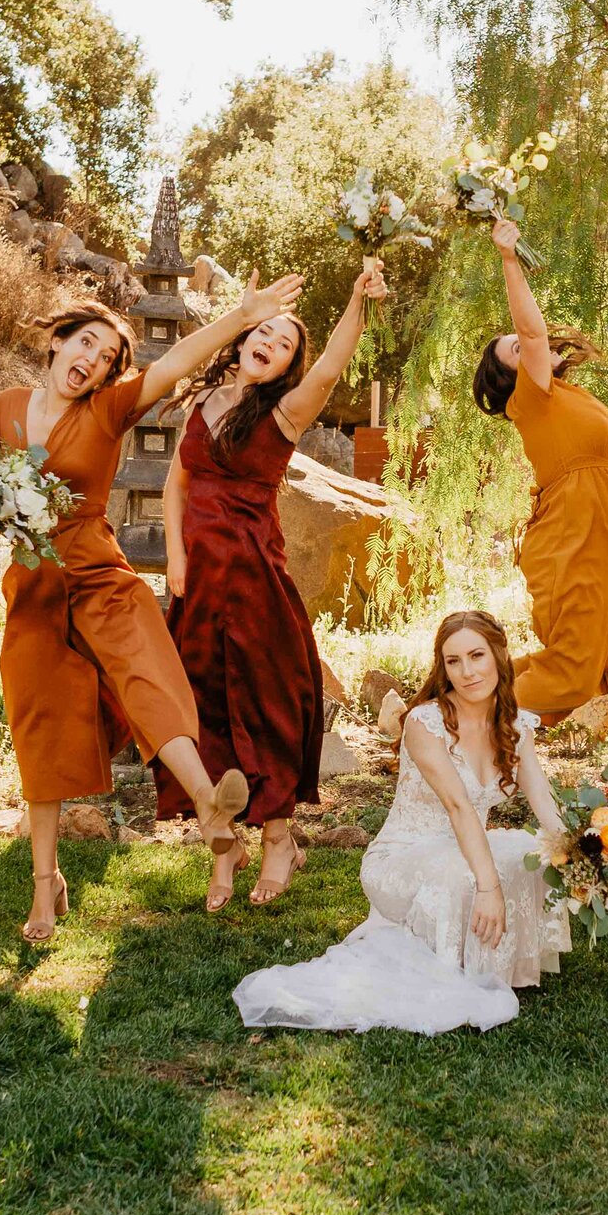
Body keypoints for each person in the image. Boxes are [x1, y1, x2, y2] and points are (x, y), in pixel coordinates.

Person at [0, 274, 305, 944]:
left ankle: (209, 803)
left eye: (109, 358)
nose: (93, 361)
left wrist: (242, 316)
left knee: (145, 669)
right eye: (85, 343)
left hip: (95, 566)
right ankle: (44, 882)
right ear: (57, 343)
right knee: (40, 720)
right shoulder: (5, 406)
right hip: (33, 582)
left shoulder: (107, 411)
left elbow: (174, 363)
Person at [162, 256, 384, 910]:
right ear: (243, 337)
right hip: (197, 587)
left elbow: (332, 368)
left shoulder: (283, 413)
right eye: (265, 333)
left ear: (289, 366)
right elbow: (177, 483)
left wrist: (356, 301)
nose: (271, 345)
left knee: (266, 710)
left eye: (285, 345)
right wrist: (175, 559)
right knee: (205, 720)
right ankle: (223, 850)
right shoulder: (201, 402)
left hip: (254, 581)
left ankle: (280, 838)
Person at [233, 611, 569, 1034]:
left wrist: (580, 854)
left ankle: (503, 965)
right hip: (403, 858)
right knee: (469, 875)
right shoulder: (425, 722)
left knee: (529, 853)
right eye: (453, 661)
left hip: (465, 846)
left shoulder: (516, 726)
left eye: (476, 655)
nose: (466, 672)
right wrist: (489, 886)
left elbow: (540, 795)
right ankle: (455, 964)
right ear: (442, 668)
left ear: (499, 654)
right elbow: (458, 806)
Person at [470, 217, 608, 725]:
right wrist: (509, 259)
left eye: (519, 342)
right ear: (515, 375)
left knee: (581, 667)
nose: (528, 342)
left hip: (598, 532)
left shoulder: (565, 396)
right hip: (571, 534)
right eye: (516, 349)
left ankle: (473, 719)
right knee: (572, 671)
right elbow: (534, 331)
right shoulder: (531, 401)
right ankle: (452, 712)